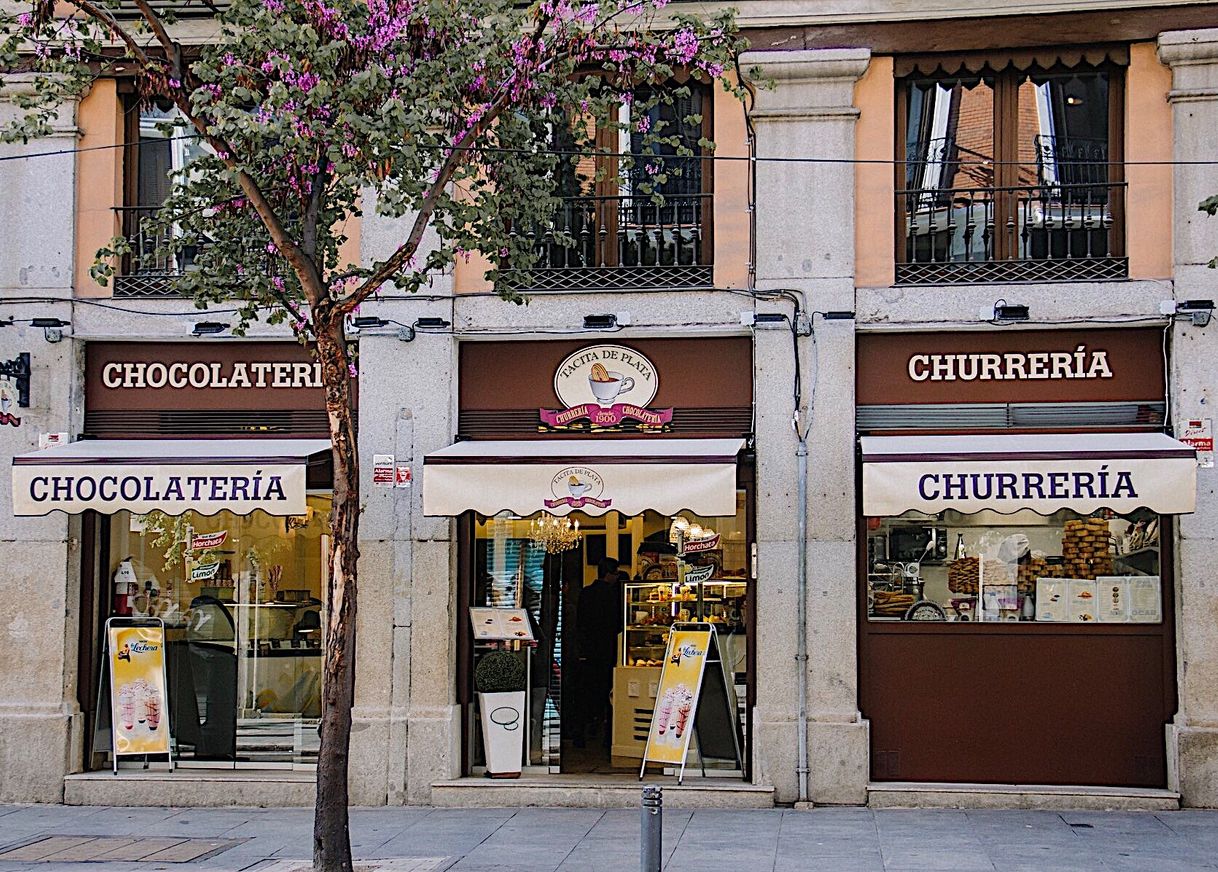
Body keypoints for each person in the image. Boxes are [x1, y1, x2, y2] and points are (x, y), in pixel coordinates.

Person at [577, 557, 623, 748]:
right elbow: (619, 624)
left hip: (588, 651)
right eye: (616, 573)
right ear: (609, 574)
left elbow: (580, 623)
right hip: (609, 651)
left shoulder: (586, 594)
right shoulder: (613, 596)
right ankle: (608, 738)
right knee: (609, 695)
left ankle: (581, 734)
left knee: (587, 693)